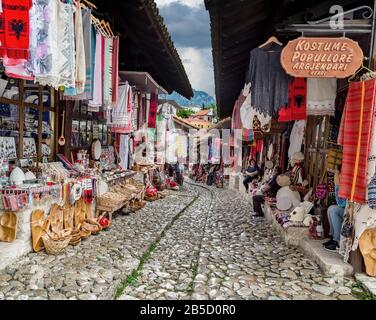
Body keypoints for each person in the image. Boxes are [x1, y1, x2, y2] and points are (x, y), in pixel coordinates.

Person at [323, 166, 347, 251]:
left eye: (337, 174)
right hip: (345, 209)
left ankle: (338, 241)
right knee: (331, 208)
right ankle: (333, 237)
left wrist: (337, 185)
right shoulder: (342, 184)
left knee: (333, 210)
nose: (335, 176)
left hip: (350, 211)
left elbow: (341, 203)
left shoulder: (346, 184)